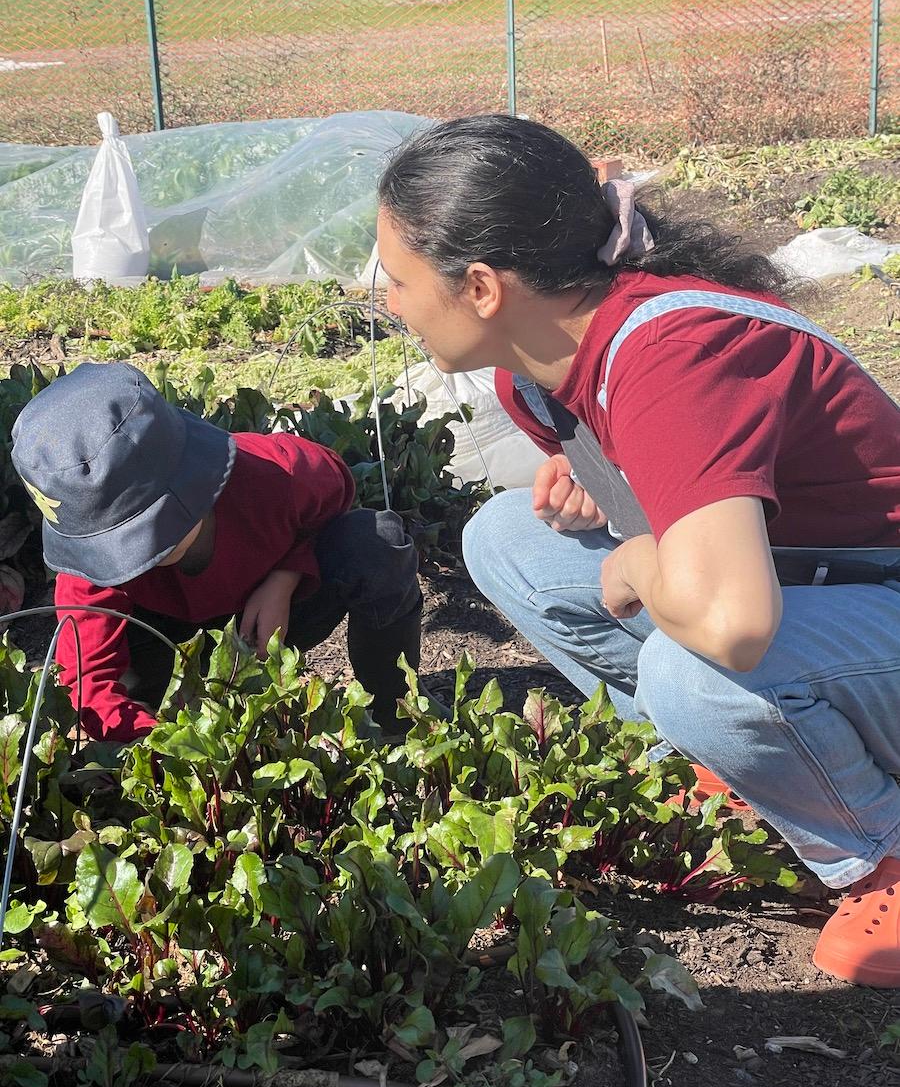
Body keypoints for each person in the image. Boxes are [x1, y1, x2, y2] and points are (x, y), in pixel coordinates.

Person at [376, 114, 900, 988]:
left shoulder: (673, 350)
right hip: (827, 590)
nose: (388, 303)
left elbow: (734, 623)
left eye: (397, 280)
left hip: (871, 595)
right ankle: (744, 771)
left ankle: (881, 850)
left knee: (696, 668)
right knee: (505, 538)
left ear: (480, 287)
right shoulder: (536, 372)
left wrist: (637, 561)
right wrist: (613, 485)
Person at [10, 361, 423, 740]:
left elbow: (337, 488)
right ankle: (163, 713)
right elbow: (88, 682)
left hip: (261, 627)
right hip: (166, 647)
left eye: (136, 537)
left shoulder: (274, 473)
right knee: (129, 710)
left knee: (376, 541)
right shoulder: (87, 572)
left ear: (189, 480)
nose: (131, 560)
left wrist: (287, 574)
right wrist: (170, 746)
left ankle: (392, 713)